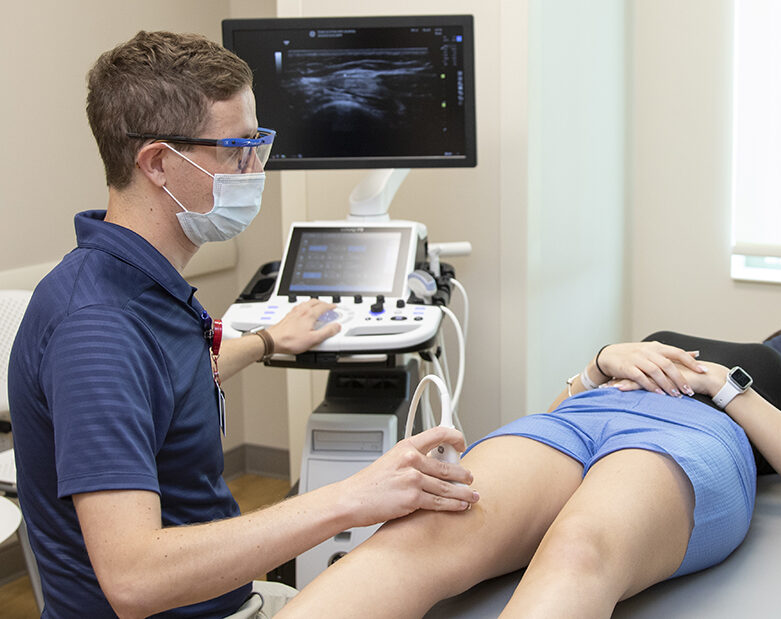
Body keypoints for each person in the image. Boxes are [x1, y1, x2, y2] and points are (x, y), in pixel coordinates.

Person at [7, 31, 478, 618]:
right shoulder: (99, 330)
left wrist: (266, 341)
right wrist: (352, 496)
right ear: (158, 162)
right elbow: (134, 578)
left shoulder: (132, 280)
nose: (255, 168)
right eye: (236, 149)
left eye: (258, 142)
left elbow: (164, 385)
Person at [278, 320, 781, 618]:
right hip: (580, 417)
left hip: (694, 433)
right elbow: (554, 417)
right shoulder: (671, 335)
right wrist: (599, 365)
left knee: (577, 548)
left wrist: (725, 386)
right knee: (422, 532)